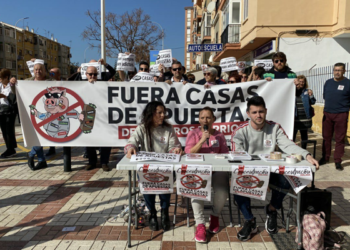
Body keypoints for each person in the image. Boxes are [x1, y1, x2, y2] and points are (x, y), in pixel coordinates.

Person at [231, 96, 319, 241]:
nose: (258, 115)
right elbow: (238, 155)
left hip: (271, 171)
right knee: (237, 184)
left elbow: (288, 145)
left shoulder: (274, 127)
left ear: (266, 111)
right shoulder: (240, 131)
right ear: (248, 114)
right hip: (251, 172)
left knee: (287, 180)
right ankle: (249, 220)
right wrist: (259, 175)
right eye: (254, 112)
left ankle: (271, 210)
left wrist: (307, 155)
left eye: (261, 111)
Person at [124, 101, 183, 231]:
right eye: (159, 113)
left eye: (164, 113)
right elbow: (132, 141)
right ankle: (152, 213)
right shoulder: (142, 128)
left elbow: (175, 145)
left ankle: (164, 213)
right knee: (147, 188)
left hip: (165, 168)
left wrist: (176, 150)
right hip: (148, 169)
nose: (163, 115)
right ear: (151, 114)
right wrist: (131, 148)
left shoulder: (168, 129)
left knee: (165, 190)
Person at [184, 107, 229, 243]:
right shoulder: (193, 133)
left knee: (222, 191)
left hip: (216, 170)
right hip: (198, 170)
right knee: (196, 189)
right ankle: (200, 224)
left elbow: (225, 155)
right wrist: (202, 139)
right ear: (199, 120)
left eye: (208, 117)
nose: (205, 120)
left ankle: (215, 216)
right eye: (202, 117)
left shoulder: (219, 136)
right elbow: (188, 153)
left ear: (213, 120)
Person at [320, 63, 350, 171]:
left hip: (341, 114)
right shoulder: (328, 82)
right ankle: (325, 157)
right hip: (327, 114)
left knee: (339, 139)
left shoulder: (348, 83)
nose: (337, 72)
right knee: (326, 137)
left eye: (339, 70)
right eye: (335, 70)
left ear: (344, 71)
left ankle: (338, 160)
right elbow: (325, 96)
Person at [24, 60, 54, 170]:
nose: (38, 71)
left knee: (44, 136)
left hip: (48, 114)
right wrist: (13, 84)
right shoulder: (26, 82)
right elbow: (16, 92)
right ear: (33, 71)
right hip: (33, 113)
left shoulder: (52, 82)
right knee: (37, 136)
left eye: (40, 69)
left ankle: (31, 154)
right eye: (36, 69)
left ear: (45, 71)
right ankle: (41, 160)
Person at [85, 66, 111, 172]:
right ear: (86, 75)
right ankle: (92, 162)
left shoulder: (104, 84)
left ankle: (104, 162)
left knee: (105, 140)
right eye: (90, 74)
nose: (92, 76)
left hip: (103, 115)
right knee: (89, 140)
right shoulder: (79, 84)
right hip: (88, 114)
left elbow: (112, 72)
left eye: (95, 74)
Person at [293, 75, 316, 147]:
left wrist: (311, 95)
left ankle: (304, 151)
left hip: (305, 119)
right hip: (295, 118)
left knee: (304, 137)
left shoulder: (307, 91)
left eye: (303, 81)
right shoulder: (292, 91)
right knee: (292, 137)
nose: (301, 83)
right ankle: (292, 151)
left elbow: (313, 102)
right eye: (300, 81)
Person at [0, 69, 17, 158]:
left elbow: (14, 97)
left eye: (1, 78)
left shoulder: (12, 85)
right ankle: (9, 148)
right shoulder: (0, 85)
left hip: (10, 110)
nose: (0, 80)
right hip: (1, 110)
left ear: (6, 77)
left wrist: (4, 96)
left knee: (9, 130)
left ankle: (11, 149)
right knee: (4, 130)